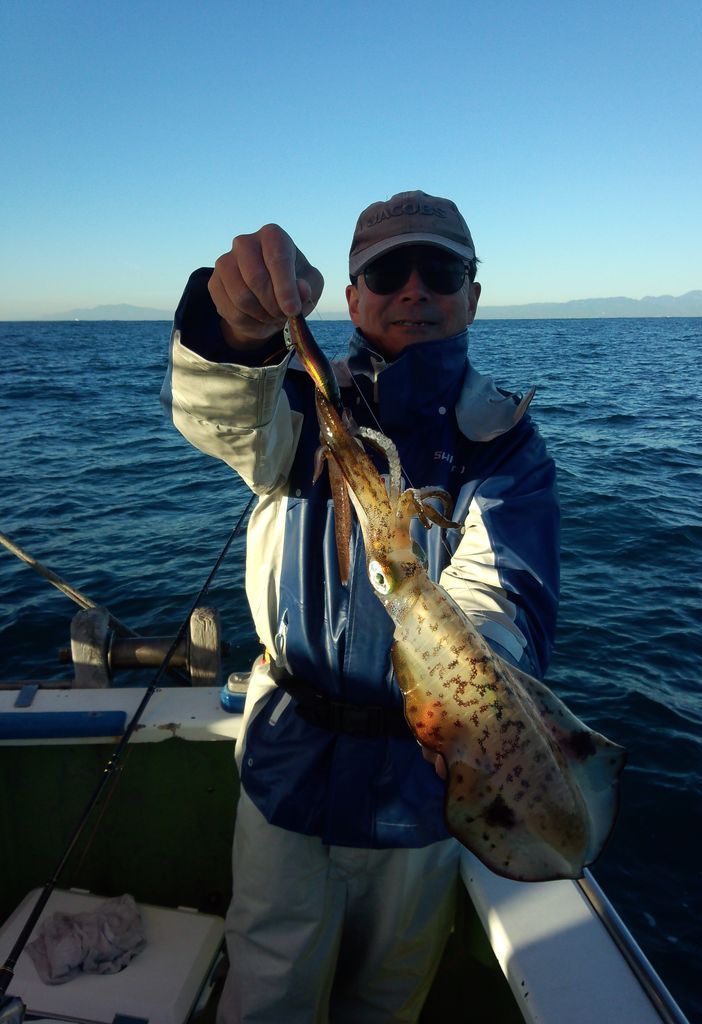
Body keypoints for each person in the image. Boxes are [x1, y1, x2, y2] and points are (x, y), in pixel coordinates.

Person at [163, 190, 559, 1023]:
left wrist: (460, 694)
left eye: (439, 270)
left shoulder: (504, 443)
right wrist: (236, 329)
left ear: (472, 295)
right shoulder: (297, 410)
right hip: (288, 771)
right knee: (267, 996)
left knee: (388, 1001)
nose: (414, 288)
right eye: (387, 272)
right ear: (351, 298)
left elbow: (504, 596)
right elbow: (226, 419)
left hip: (425, 789)